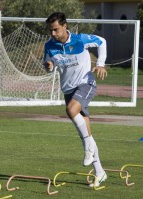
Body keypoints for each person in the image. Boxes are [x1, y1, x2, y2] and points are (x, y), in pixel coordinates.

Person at [43, 12, 107, 187]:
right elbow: (47, 65)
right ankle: (100, 172)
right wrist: (49, 66)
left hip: (86, 83)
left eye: (56, 30)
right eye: (51, 31)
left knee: (71, 110)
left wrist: (100, 63)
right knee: (85, 133)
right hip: (68, 90)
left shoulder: (80, 39)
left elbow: (102, 42)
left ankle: (87, 148)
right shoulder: (49, 45)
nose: (53, 34)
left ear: (65, 26)